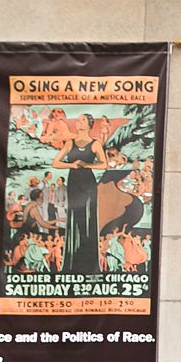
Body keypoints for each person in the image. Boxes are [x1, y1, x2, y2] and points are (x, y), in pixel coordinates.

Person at [52, 113, 108, 275]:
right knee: (74, 218)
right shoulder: (70, 143)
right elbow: (55, 163)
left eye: (82, 120)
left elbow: (103, 164)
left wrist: (87, 164)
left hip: (89, 185)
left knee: (88, 219)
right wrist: (72, 165)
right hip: (74, 183)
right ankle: (72, 264)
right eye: (78, 120)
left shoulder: (95, 144)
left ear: (89, 124)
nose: (78, 122)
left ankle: (90, 265)